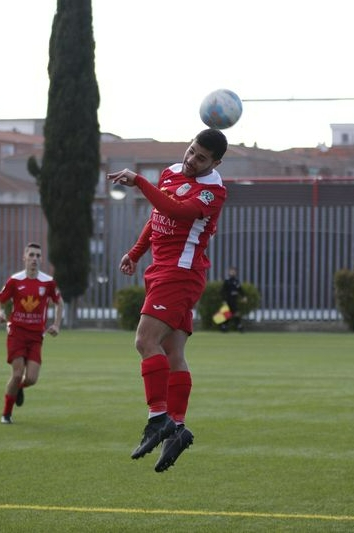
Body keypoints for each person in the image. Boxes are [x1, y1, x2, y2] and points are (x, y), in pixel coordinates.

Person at [107, 128, 228, 473]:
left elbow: (174, 210)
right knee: (174, 353)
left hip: (181, 274)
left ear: (215, 163)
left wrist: (140, 183)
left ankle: (158, 419)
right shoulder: (172, 172)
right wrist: (135, 252)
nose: (191, 160)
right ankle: (176, 427)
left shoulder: (213, 193)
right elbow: (157, 219)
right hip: (162, 271)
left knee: (145, 341)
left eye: (201, 158)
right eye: (191, 151)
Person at [0, 242, 64, 424]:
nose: (34, 259)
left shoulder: (47, 282)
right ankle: (6, 414)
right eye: (31, 255)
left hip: (36, 336)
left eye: (38, 256)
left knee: (30, 378)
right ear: (24, 258)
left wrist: (56, 325)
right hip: (16, 332)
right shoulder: (15, 280)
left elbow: (59, 303)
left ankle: (18, 388)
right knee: (17, 374)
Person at [220, 266, 244, 332]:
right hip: (228, 300)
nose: (232, 272)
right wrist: (224, 300)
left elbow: (240, 290)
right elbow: (222, 291)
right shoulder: (227, 281)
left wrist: (243, 297)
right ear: (229, 272)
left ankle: (239, 326)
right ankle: (224, 326)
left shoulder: (237, 281)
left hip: (234, 300)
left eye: (234, 271)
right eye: (231, 271)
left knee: (236, 313)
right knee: (227, 314)